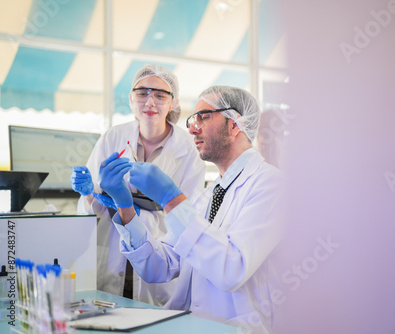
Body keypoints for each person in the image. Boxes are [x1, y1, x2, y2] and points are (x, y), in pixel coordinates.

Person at [97, 86, 283, 333]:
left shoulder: (271, 185)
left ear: (235, 124)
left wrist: (171, 199)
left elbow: (232, 269)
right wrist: (124, 205)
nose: (193, 128)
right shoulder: (210, 194)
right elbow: (158, 266)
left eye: (203, 117)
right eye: (192, 119)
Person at [70, 64, 206, 307]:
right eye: (142, 93)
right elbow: (90, 209)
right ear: (131, 99)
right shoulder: (113, 137)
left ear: (173, 103)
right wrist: (88, 192)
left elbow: (191, 214)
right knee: (109, 312)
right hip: (111, 244)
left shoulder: (189, 149)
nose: (150, 102)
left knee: (153, 318)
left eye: (160, 95)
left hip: (162, 244)